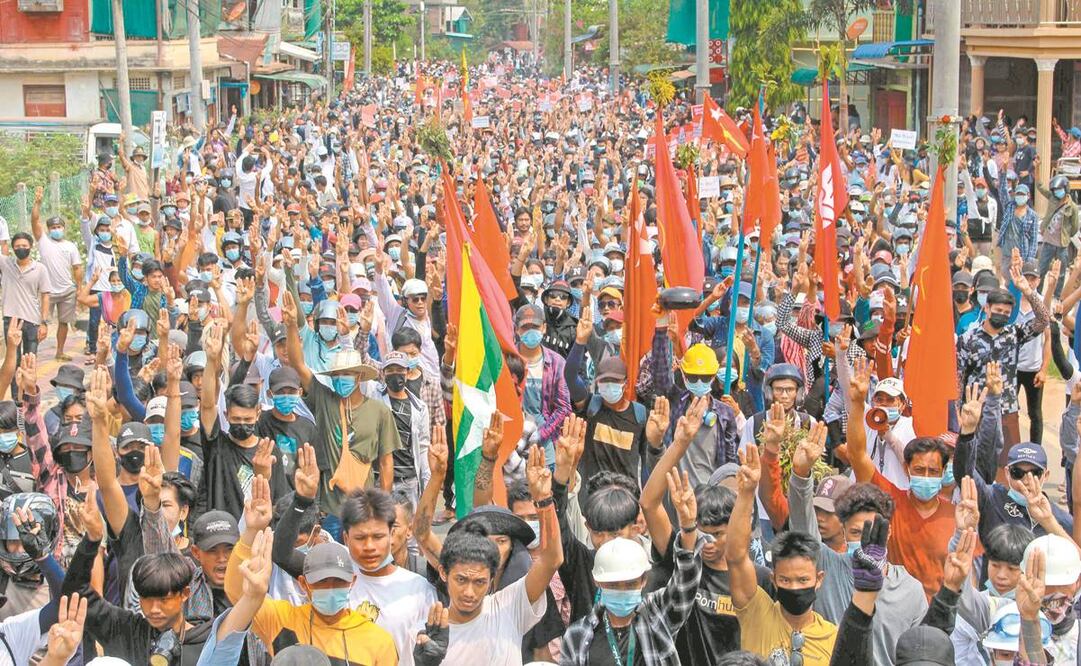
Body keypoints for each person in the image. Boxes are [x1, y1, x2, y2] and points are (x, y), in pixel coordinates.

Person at [273, 443, 436, 666]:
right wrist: (301, 501)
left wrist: (437, 477)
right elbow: (281, 554)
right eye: (360, 538)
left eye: (377, 536)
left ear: (391, 534)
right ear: (346, 538)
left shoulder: (419, 590)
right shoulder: (332, 572)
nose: (369, 546)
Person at [225, 475, 399, 664]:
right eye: (321, 582)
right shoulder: (281, 620)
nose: (330, 589)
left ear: (352, 582)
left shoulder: (378, 640)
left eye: (339, 581)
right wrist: (251, 531)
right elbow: (238, 593)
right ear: (304, 583)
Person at [847, 357, 956, 599]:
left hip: (940, 613)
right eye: (919, 470)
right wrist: (857, 403)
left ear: (943, 473)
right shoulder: (891, 502)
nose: (925, 476)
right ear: (907, 469)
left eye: (933, 472)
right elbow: (857, 455)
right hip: (897, 608)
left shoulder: (956, 515)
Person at [727, 444, 838, 663]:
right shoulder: (757, 614)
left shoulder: (833, 638)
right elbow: (735, 557)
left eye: (803, 580)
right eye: (785, 580)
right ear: (773, 580)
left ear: (819, 579)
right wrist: (747, 494)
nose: (795, 588)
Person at [29, 186, 83, 362]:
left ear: (64, 228)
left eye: (59, 226)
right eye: (53, 227)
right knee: (39, 322)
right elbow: (34, 220)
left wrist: (79, 288)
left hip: (67, 290)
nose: (56, 229)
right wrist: (37, 203)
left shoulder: (71, 246)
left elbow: (77, 268)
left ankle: (60, 351)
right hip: (47, 292)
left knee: (64, 323)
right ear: (48, 229)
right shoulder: (43, 241)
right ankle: (32, 353)